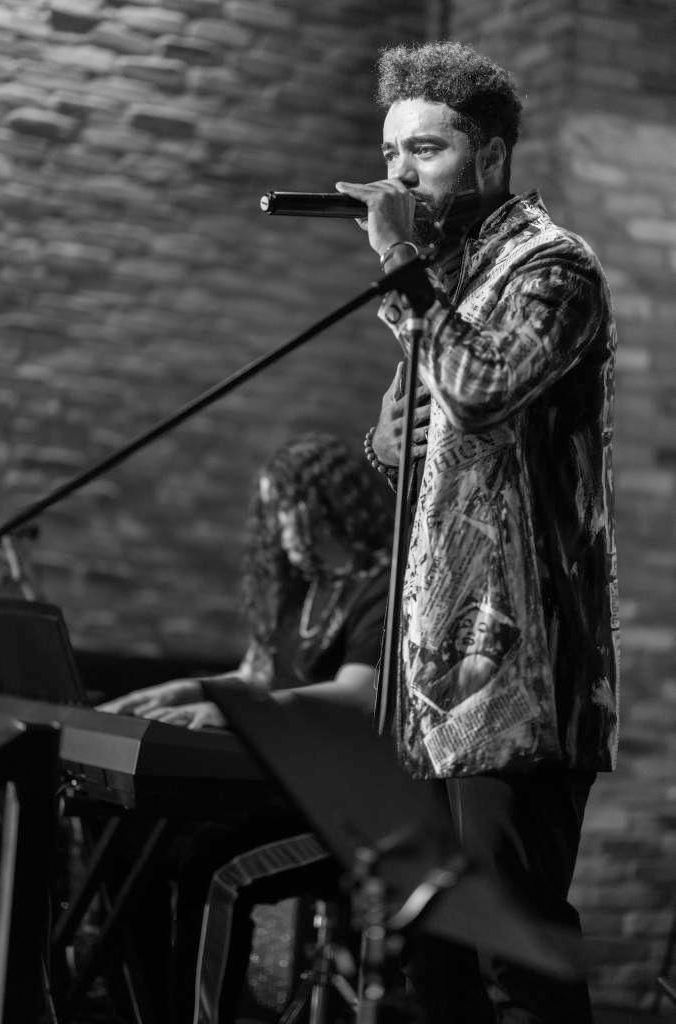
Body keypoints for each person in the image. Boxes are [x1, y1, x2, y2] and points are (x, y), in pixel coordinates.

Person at [334, 41, 620, 1023]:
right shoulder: (446, 279)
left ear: (489, 155)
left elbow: (482, 387)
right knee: (434, 963)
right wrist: (383, 446)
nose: (399, 174)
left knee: (513, 960)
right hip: (426, 670)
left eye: (425, 150)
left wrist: (395, 261)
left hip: (517, 674)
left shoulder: (552, 266)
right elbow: (438, 450)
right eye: (390, 152)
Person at [99, 432, 393, 1021]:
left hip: (352, 813)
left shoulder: (380, 587)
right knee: (142, 849)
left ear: (326, 504)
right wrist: (186, 690)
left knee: (220, 871)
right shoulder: (301, 593)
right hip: (287, 793)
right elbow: (250, 675)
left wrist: (233, 711)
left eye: (284, 509)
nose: (278, 528)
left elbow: (356, 693)